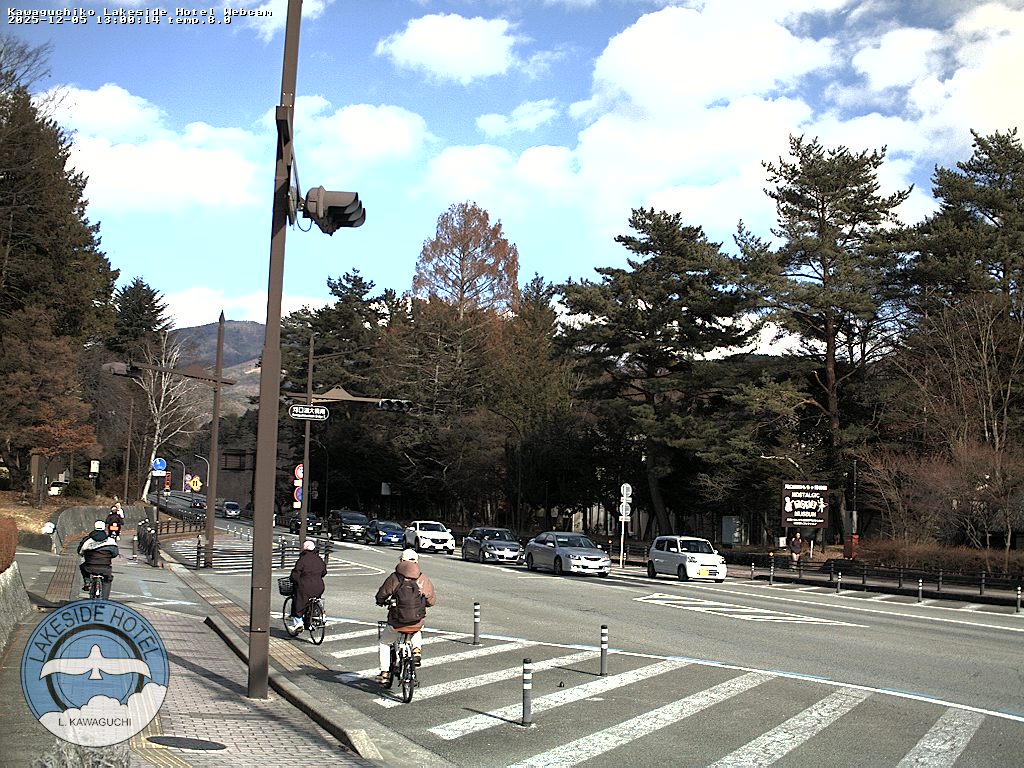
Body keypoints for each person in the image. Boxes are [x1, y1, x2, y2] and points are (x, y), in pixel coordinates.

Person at [375, 549, 436, 685]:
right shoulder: (422, 578)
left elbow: (382, 594)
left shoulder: (395, 578)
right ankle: (416, 651)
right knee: (417, 629)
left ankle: (385, 673)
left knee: (385, 643)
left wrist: (380, 601)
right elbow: (431, 600)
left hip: (397, 622)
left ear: (401, 561)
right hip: (416, 620)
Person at [288, 539, 326, 633]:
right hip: (319, 586)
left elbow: (296, 574)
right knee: (313, 601)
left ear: (304, 549)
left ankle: (298, 623)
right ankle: (315, 617)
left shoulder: (302, 560)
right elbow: (324, 572)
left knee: (298, 603)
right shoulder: (319, 559)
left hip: (305, 586)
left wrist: (294, 580)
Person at [78, 520, 119, 598]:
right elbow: (115, 553)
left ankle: (87, 582)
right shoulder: (110, 541)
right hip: (105, 568)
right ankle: (105, 599)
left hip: (89, 567)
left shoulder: (87, 540)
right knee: (107, 580)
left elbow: (80, 551)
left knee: (82, 567)